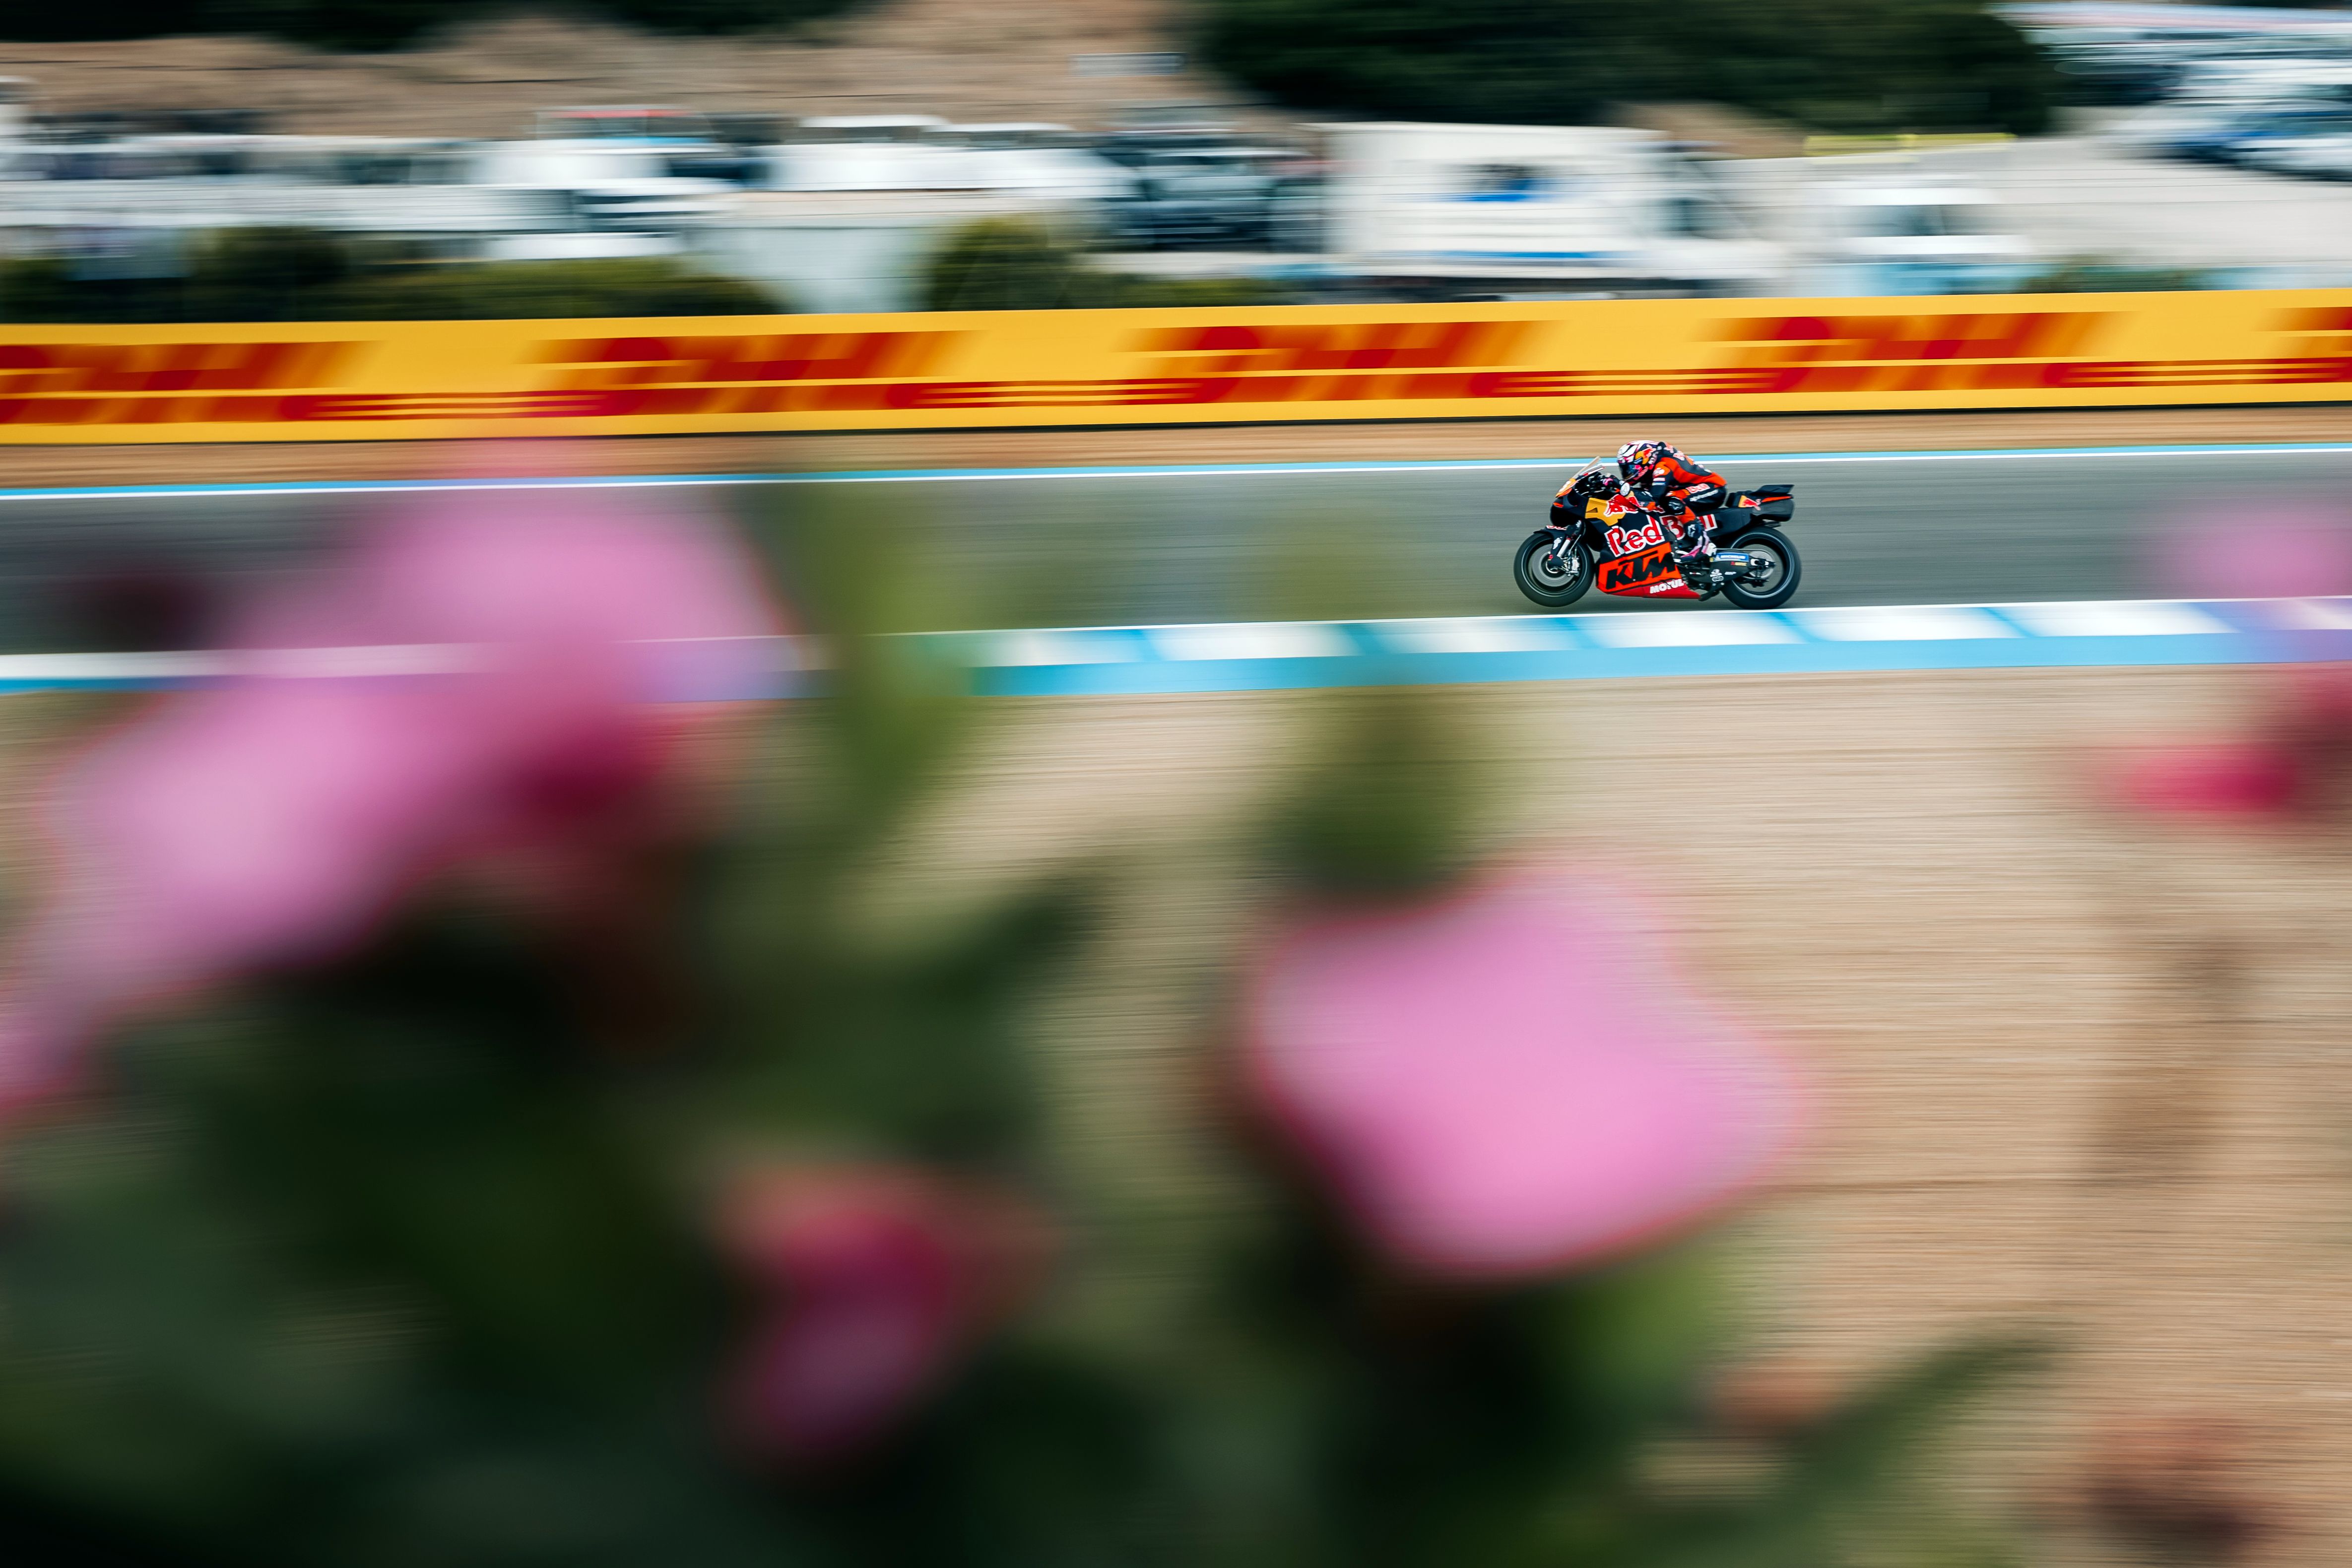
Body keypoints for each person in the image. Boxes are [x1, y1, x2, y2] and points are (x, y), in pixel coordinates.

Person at [1617, 439, 1730, 580]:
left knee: (1673, 500)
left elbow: (1652, 499)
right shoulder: (1653, 465)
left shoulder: (1663, 466)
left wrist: (1620, 486)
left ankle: (1703, 543)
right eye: (1625, 469)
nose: (1628, 473)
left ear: (1645, 459)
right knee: (1661, 501)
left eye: (1631, 468)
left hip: (1713, 487)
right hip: (1690, 489)